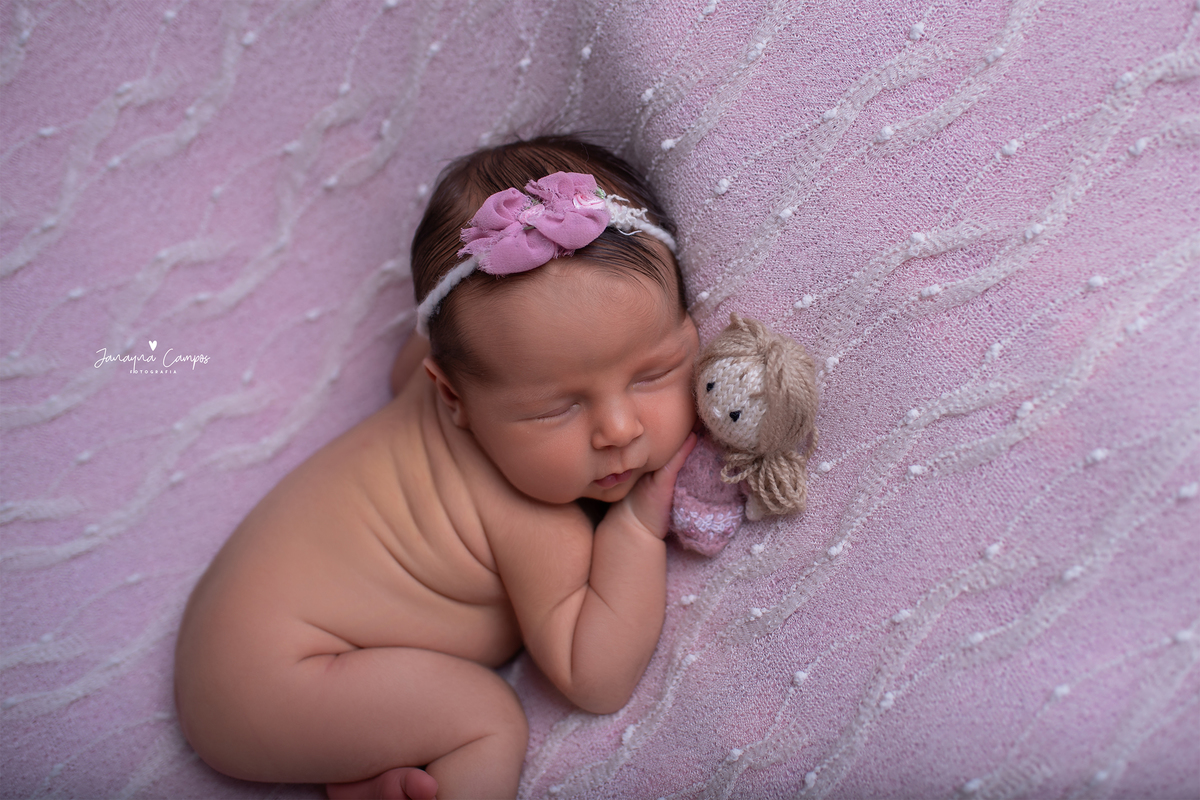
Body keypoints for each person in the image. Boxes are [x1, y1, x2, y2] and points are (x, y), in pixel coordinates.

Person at [174, 135, 700, 800]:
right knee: (485, 721)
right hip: (271, 682)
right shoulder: (533, 516)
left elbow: (415, 359)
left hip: (236, 635)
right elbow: (595, 677)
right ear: (453, 397)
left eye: (655, 371)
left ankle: (365, 770)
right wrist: (635, 529)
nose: (619, 430)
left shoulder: (449, 378)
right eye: (555, 409)